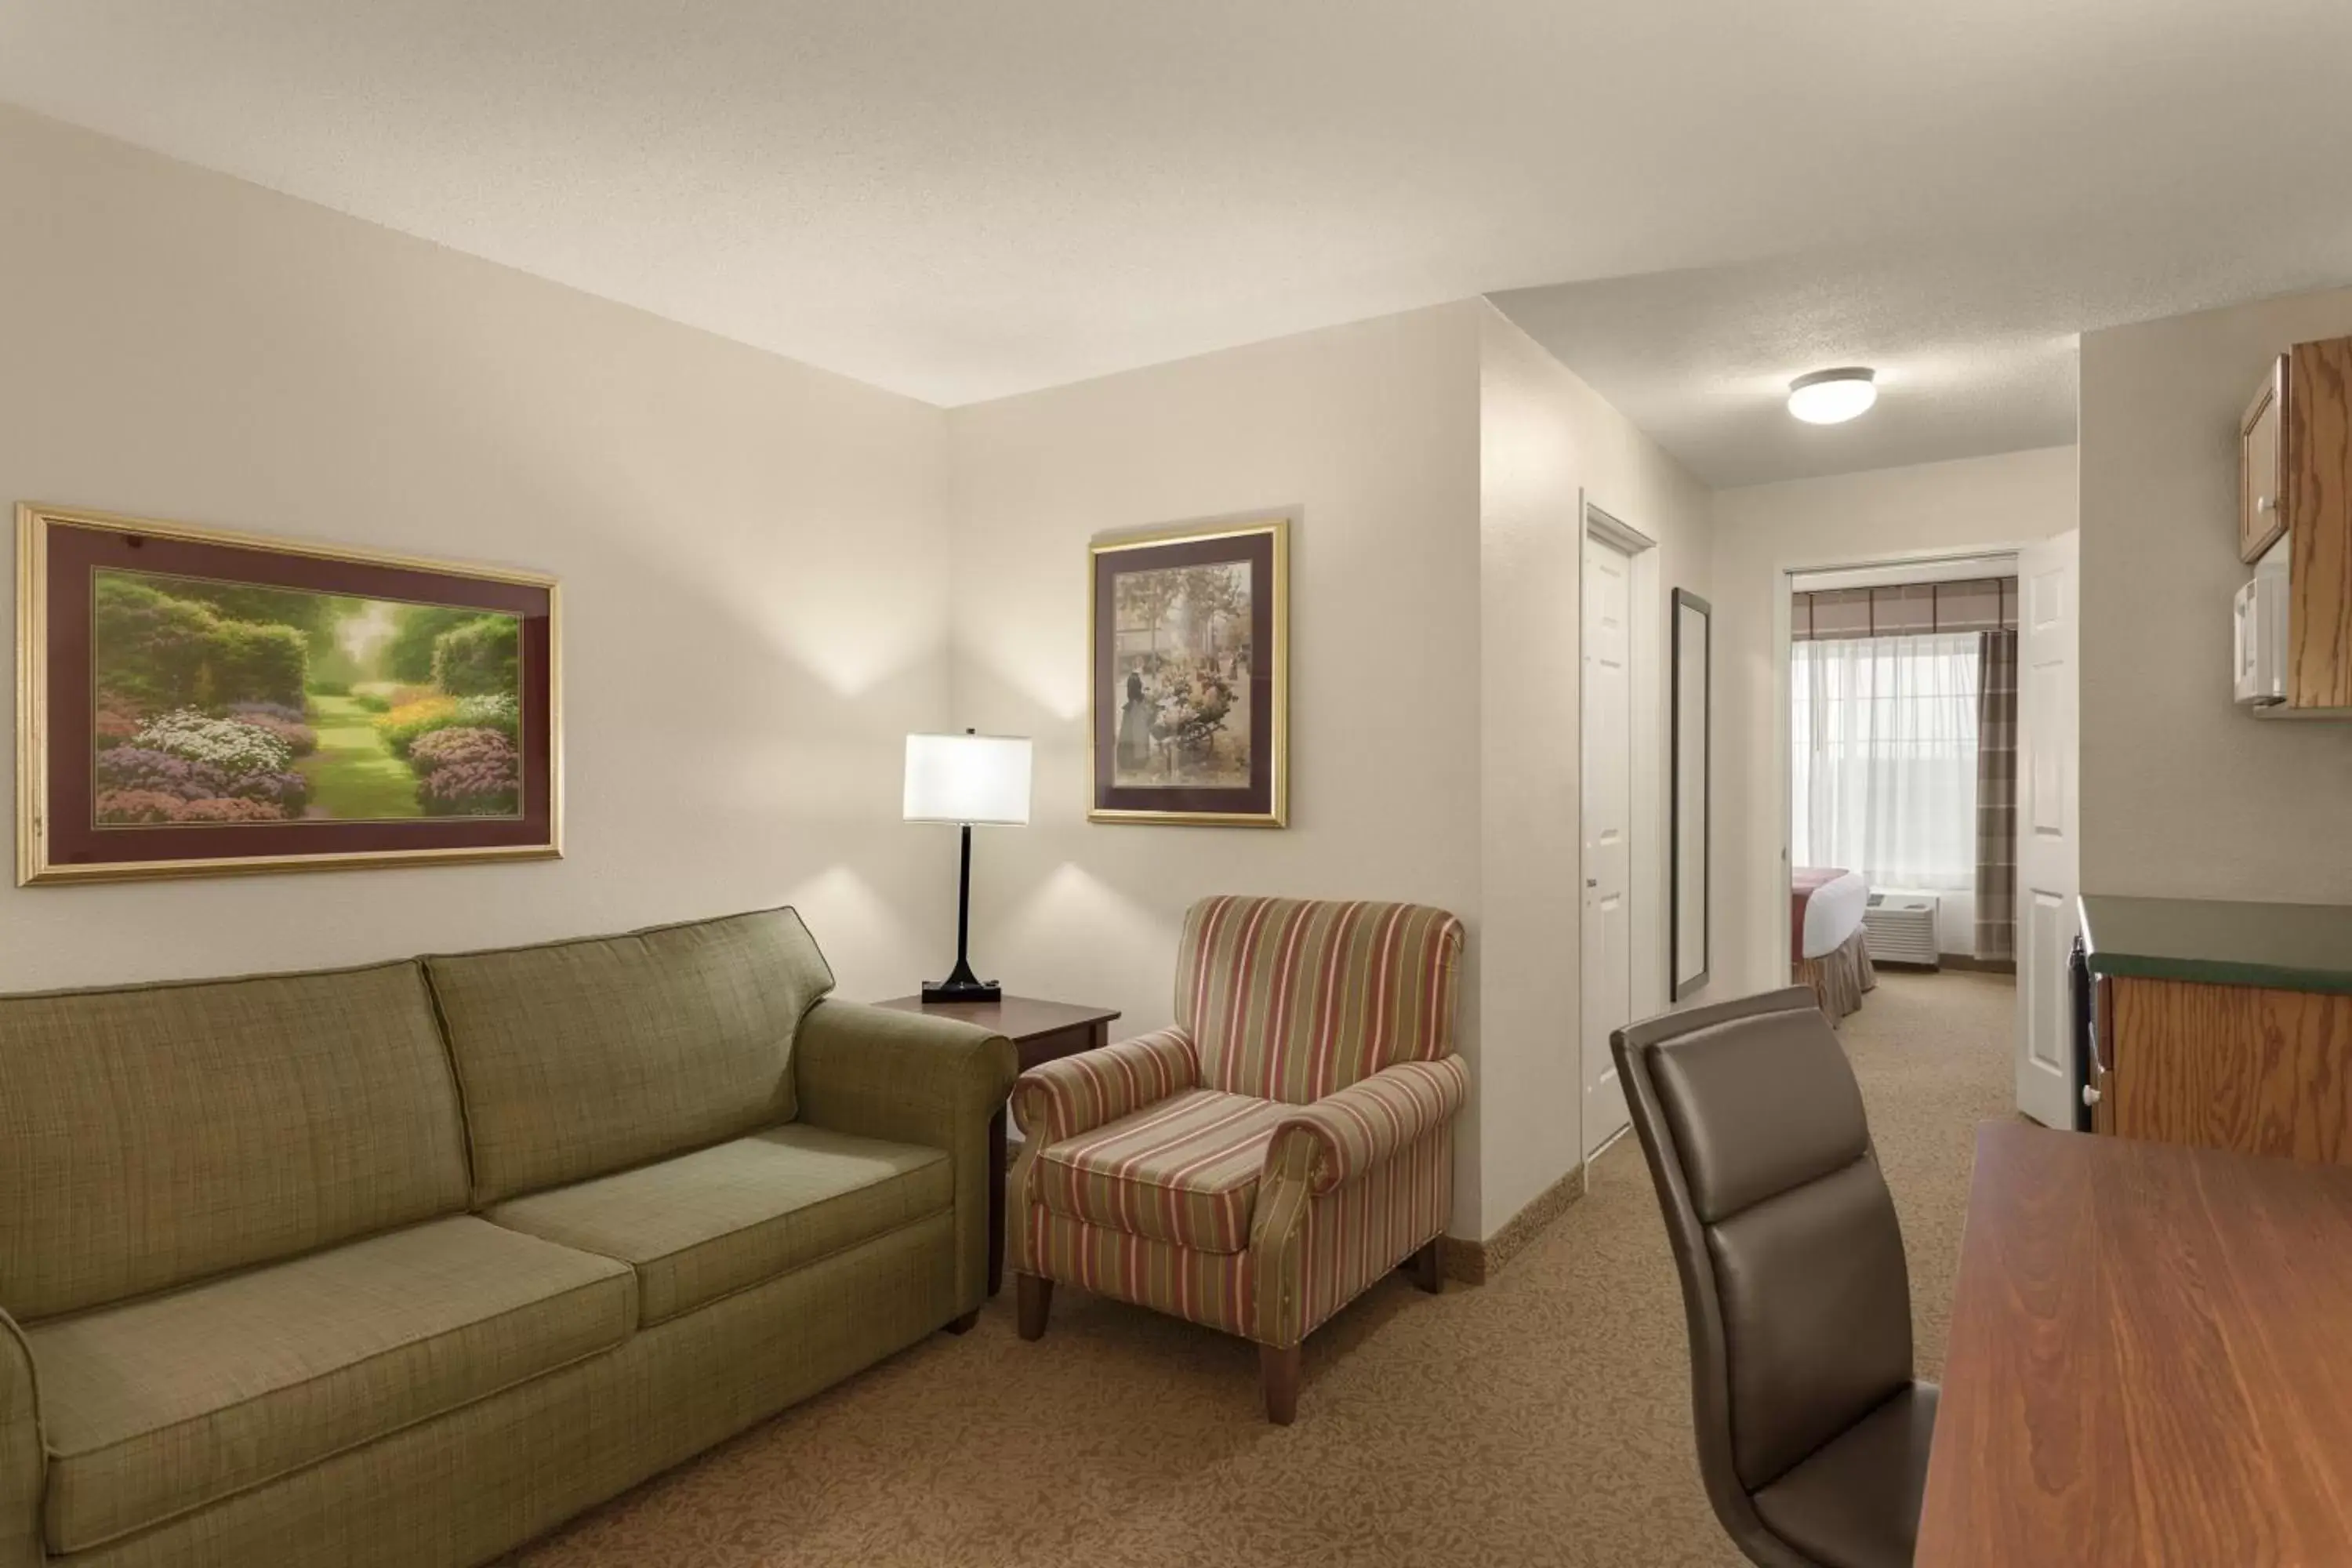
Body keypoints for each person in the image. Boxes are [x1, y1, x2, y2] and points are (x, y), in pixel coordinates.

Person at [1116, 670, 1153, 774]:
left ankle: (1129, 761)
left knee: (1131, 733)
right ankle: (1136, 761)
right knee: (1136, 734)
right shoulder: (1139, 700)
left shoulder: (1133, 681)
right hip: (1136, 708)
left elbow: (1132, 694)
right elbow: (1135, 694)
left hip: (1133, 708)